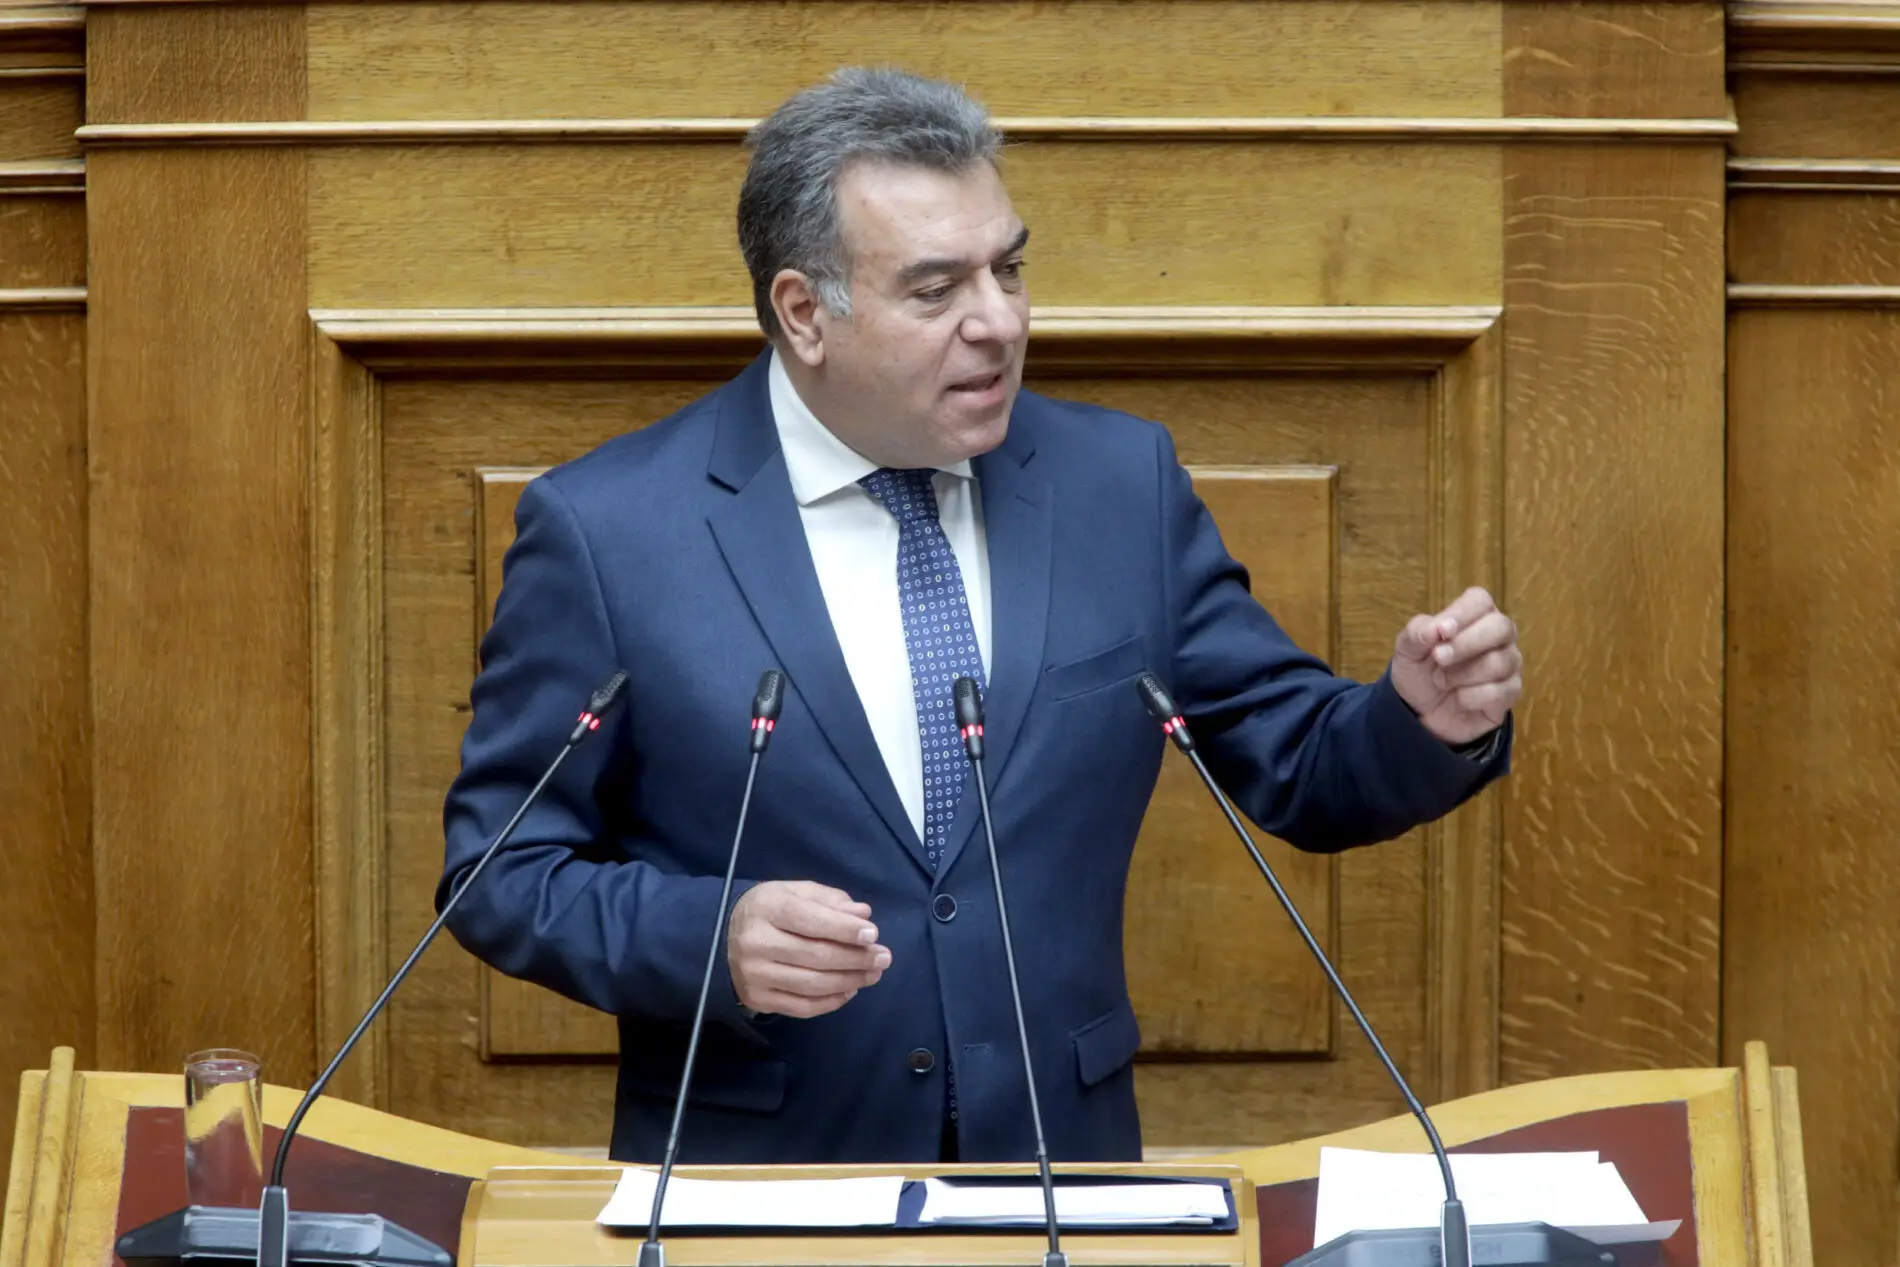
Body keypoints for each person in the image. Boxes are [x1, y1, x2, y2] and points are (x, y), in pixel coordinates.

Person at [438, 68, 1521, 1166]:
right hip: (762, 1188)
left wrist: (1418, 722)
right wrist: (710, 937)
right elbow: (500, 871)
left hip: (1062, 1176)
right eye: (935, 290)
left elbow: (1300, 762)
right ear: (805, 312)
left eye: (1008, 268)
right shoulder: (611, 531)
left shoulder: (1117, 486)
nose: (998, 322)